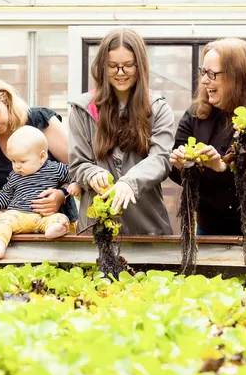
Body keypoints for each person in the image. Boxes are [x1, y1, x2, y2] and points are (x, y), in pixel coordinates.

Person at [169, 37, 246, 235]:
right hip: (210, 227)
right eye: (203, 72)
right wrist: (180, 164)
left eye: (212, 73)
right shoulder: (197, 114)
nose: (204, 80)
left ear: (238, 76)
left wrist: (221, 167)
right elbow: (176, 171)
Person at [68, 27, 174, 235]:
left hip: (146, 226)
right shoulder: (82, 109)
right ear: (101, 67)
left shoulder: (158, 108)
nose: (120, 73)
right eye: (112, 66)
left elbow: (161, 158)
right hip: (96, 227)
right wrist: (92, 173)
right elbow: (78, 163)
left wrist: (130, 182)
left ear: (140, 66)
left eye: (128, 66)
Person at [0, 74, 76, 224]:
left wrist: (62, 194)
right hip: (11, 227)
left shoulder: (39, 120)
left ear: (6, 99)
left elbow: (79, 169)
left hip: (58, 227)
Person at [0, 126, 80, 260]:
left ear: (42, 157)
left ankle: (53, 230)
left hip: (44, 217)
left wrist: (75, 183)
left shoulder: (54, 168)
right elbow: (5, 196)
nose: (17, 166)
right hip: (18, 216)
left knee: (60, 219)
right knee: (1, 220)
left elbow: (75, 172)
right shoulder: (15, 176)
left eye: (22, 161)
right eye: (13, 161)